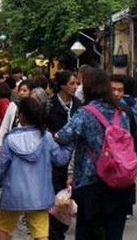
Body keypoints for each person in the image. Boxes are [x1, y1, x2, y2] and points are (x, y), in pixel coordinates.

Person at [56, 68, 135, 240]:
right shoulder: (120, 113)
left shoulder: (85, 113)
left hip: (91, 182)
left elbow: (63, 136)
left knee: (88, 232)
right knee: (114, 233)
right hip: (119, 181)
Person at [0, 98, 72, 240]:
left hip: (13, 195)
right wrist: (69, 145)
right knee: (41, 233)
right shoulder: (47, 138)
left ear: (21, 116)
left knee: (3, 228)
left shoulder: (10, 139)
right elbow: (60, 159)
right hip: (39, 196)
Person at [46, 70, 80, 240]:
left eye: (76, 84)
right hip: (53, 159)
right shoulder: (49, 106)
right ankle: (55, 233)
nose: (75, 87)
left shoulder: (79, 105)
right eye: (72, 83)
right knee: (55, 199)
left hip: (75, 159)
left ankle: (61, 229)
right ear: (61, 85)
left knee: (68, 199)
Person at [110, 74, 137, 218]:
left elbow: (132, 133)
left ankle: (126, 207)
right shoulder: (98, 109)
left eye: (120, 90)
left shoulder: (125, 110)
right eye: (113, 89)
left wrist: (134, 155)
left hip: (123, 157)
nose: (117, 93)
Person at [0, 79, 34, 154]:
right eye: (20, 90)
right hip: (12, 142)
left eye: (25, 90)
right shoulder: (13, 105)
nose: (21, 93)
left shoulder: (34, 107)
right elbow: (5, 125)